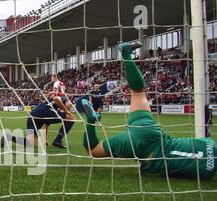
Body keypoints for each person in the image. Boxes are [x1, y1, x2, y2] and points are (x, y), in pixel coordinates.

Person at [82, 41, 216, 180]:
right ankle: (91, 121)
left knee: (138, 91)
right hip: (143, 151)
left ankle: (126, 53)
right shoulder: (206, 173)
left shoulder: (209, 144)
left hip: (152, 132)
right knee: (93, 151)